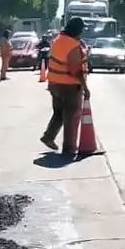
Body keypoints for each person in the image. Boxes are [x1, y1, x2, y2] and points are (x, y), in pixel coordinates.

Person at [40, 17, 90, 156]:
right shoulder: (72, 45)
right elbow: (75, 69)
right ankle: (69, 148)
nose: (82, 32)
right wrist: (85, 87)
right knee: (71, 116)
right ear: (77, 30)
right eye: (81, 29)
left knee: (59, 112)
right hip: (69, 85)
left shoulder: (58, 40)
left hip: (54, 82)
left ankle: (49, 136)